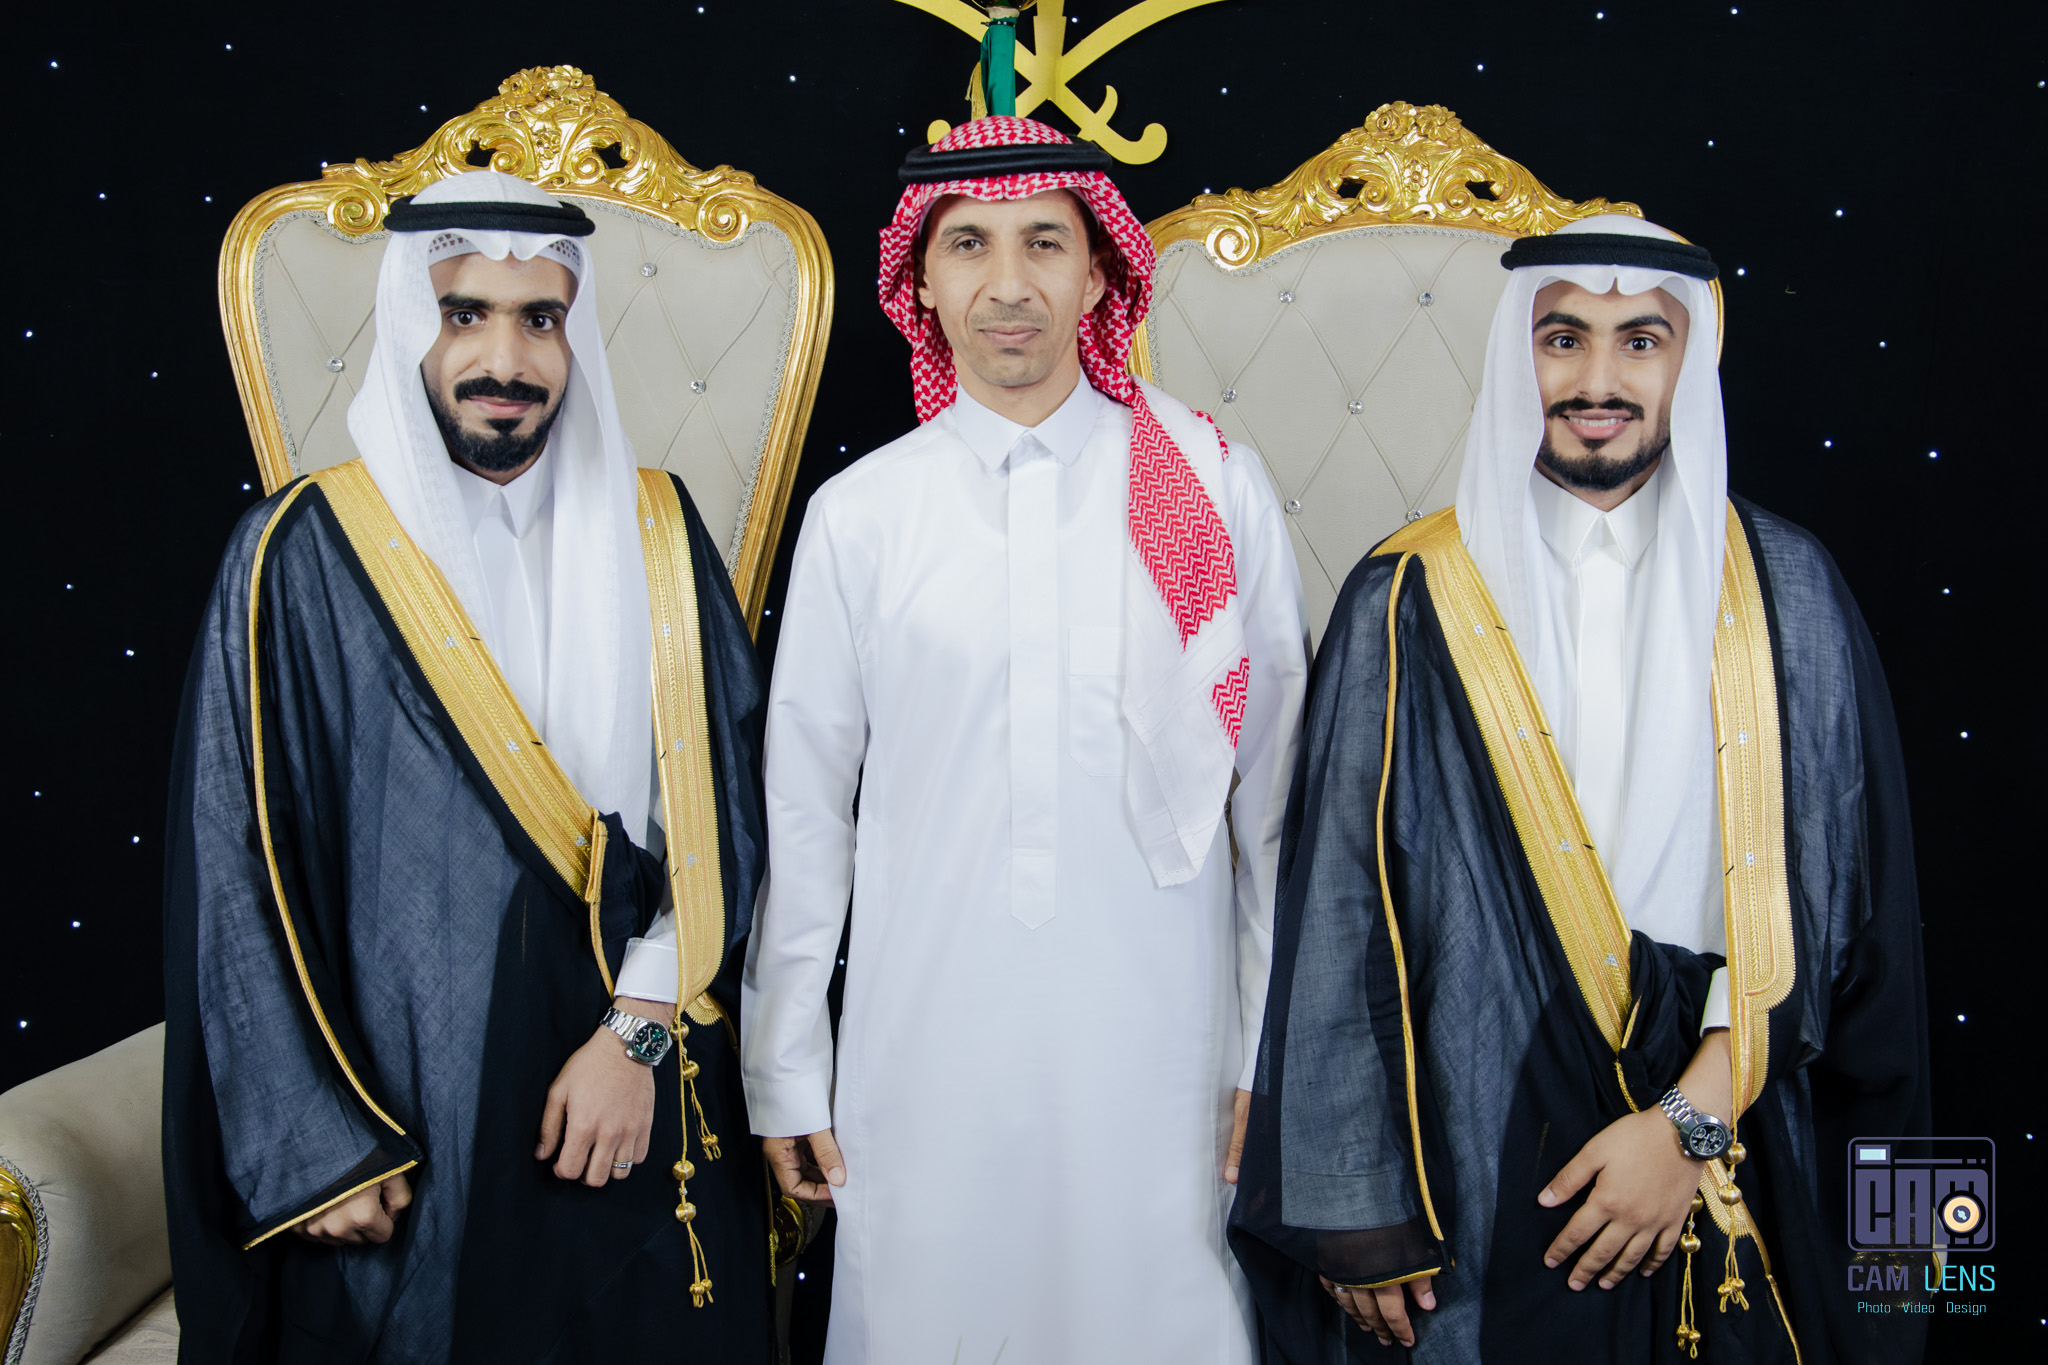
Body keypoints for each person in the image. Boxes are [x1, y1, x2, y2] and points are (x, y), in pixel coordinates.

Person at [1229, 216, 1929, 1363]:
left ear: (1686, 360)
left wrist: (1687, 1126)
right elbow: (1341, 916)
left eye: (1638, 341)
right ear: (1519, 355)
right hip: (1474, 1147)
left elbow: (1846, 910)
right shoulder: (1406, 594)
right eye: (1562, 339)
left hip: (1741, 1126)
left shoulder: (1790, 588)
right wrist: (1358, 1217)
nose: (1596, 379)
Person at [162, 170, 773, 1361]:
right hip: (406, 1123)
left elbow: (728, 820)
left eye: (540, 318)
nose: (506, 358)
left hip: (632, 1092)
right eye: (464, 315)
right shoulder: (299, 551)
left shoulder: (658, 531)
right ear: (412, 326)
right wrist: (320, 1147)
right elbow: (233, 866)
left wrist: (637, 1036)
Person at [741, 117, 1309, 1363]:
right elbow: (803, 814)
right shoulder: (860, 515)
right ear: (919, 281)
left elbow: (1275, 813)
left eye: (1044, 243)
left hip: (1167, 1050)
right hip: (922, 1049)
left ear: (1099, 273)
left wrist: (1269, 1057)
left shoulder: (1210, 488)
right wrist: (783, 1064)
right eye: (969, 246)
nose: (1007, 285)